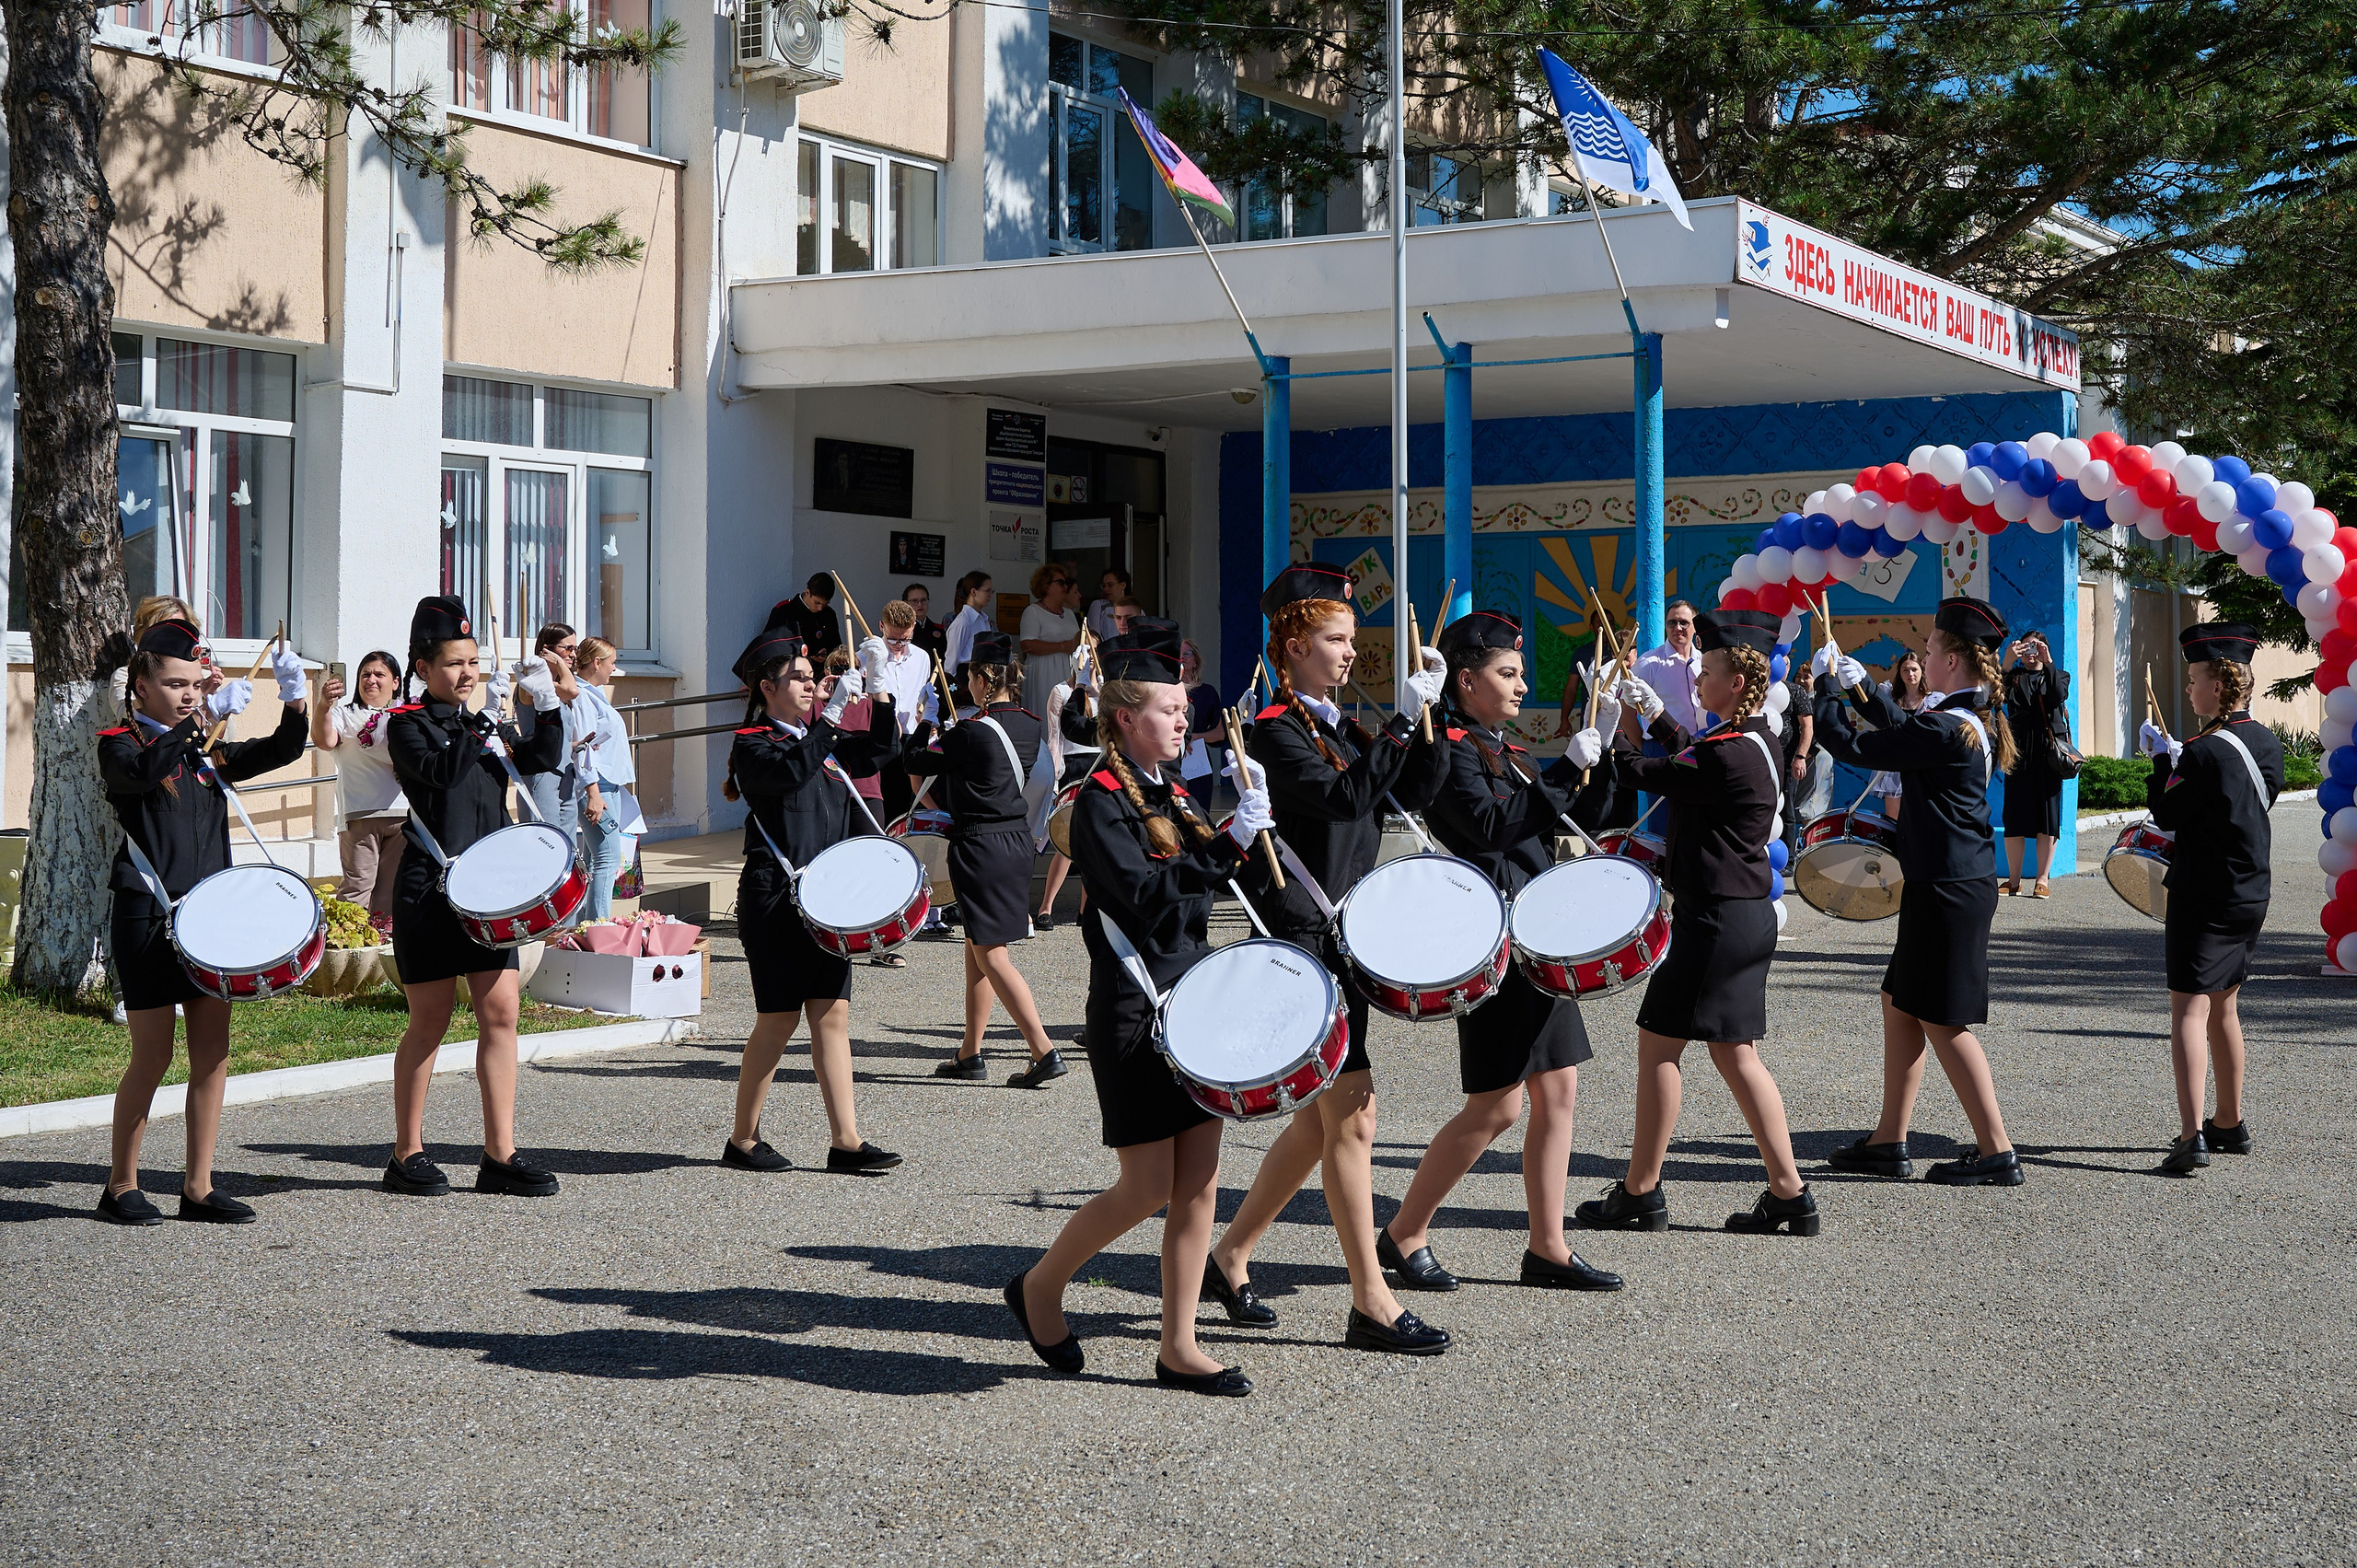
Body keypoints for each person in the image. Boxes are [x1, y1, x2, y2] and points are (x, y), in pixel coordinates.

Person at [1006, 623, 1280, 1396]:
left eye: (1184, 706)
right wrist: (1229, 841)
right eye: (1168, 708)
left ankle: (1179, 1344)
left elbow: (1212, 894)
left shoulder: (1174, 790)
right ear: (1125, 718)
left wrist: (1249, 831)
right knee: (1146, 1184)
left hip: (1192, 1003)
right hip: (1134, 1007)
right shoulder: (1097, 801)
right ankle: (1040, 1285)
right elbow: (1151, 900)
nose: (1184, 718)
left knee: (1200, 1180)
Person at [1205, 564, 1455, 1357]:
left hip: (1343, 935)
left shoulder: (1339, 724)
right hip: (1301, 940)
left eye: (1352, 639)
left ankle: (1230, 1252)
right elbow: (1346, 798)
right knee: (1353, 1113)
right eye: (1337, 639)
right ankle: (1370, 1300)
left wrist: (1430, 715)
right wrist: (1394, 729)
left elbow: (1412, 788)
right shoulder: (1275, 728)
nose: (1352, 653)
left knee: (1322, 1123)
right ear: (1293, 645)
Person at [1382, 610, 1626, 1290]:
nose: (1522, 686)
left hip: (1536, 937)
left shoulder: (1505, 746)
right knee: (1497, 1105)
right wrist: (1563, 770)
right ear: (1467, 679)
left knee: (1559, 1089)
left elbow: (1576, 818)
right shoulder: (1452, 748)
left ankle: (1547, 1245)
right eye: (1508, 673)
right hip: (1490, 940)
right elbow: (1490, 828)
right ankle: (1403, 1233)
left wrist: (1598, 755)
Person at [1576, 608, 1817, 1236]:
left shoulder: (1728, 753)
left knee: (1660, 1043)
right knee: (1738, 1054)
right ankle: (1789, 1192)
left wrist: (1608, 728)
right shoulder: (1757, 738)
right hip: (1741, 916)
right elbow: (1693, 750)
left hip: (1713, 921)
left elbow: (1649, 771)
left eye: (1705, 670)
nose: (1698, 678)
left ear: (1736, 682)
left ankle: (1640, 1189)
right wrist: (1653, 712)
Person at [94, 616, 308, 1225]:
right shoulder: (121, 741)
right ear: (141, 685)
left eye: (194, 683)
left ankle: (198, 1184)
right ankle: (121, 1184)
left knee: (212, 1054)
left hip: (210, 920)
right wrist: (198, 721)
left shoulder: (204, 751)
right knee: (152, 1055)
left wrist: (294, 701)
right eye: (174, 682)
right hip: (146, 914)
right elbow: (138, 774)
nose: (188, 693)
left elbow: (281, 751)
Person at [1811, 596, 2024, 1188]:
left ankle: (1996, 1150)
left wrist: (1830, 689)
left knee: (1943, 1021)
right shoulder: (1958, 719)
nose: (1923, 656)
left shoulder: (1949, 727)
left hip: (1948, 889)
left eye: (1930, 648)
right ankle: (1889, 1139)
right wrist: (1858, 690)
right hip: (1945, 882)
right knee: (1901, 1003)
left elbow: (1857, 745)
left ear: (1953, 661)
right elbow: (1903, 727)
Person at [383, 596, 569, 1199]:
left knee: (501, 1014)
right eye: (455, 663)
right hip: (430, 888)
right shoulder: (407, 723)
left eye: (473, 661)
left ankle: (500, 1153)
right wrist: (480, 727)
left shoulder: (480, 721)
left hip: (489, 894)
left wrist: (545, 704)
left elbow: (542, 757)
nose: (467, 673)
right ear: (424, 666)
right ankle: (406, 1152)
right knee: (430, 1021)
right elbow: (436, 774)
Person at [720, 628, 903, 1175]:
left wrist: (882, 692)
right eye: (798, 678)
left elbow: (881, 752)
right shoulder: (754, 742)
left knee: (833, 1015)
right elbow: (790, 771)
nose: (810, 685)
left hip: (825, 900)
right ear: (766, 688)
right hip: (775, 899)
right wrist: (827, 720)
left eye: (810, 676)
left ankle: (846, 1141)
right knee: (777, 1020)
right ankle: (743, 1139)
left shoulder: (815, 739)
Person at [894, 631, 1068, 1086]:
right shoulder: (1030, 724)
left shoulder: (970, 731)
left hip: (980, 844)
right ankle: (970, 1052)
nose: (966, 685)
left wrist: (923, 721)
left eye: (970, 676)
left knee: (992, 952)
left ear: (982, 678)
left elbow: (914, 760)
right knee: (980, 947)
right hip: (1014, 843)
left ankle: (1043, 1050)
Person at [2138, 622, 2282, 1175]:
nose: (2191, 689)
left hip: (2204, 892)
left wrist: (2161, 764)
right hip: (2251, 891)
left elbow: (2169, 815)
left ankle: (2191, 1134)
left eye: (2197, 679)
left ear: (2220, 686)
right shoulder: (2265, 740)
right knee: (2226, 1004)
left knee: (2188, 1010)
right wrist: (2181, 762)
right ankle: (2229, 1121)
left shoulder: (2200, 751)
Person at [312, 649, 410, 920]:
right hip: (360, 815)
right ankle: (346, 951)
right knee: (357, 891)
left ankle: (381, 954)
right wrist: (323, 706)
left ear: (396, 682)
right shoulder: (346, 713)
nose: (371, 680)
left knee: (389, 895)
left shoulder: (407, 715)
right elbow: (324, 741)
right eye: (365, 674)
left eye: (380, 674)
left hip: (402, 815)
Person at [571, 636, 643, 922]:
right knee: (608, 858)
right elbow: (583, 749)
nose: (615, 668)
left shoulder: (593, 693)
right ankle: (597, 927)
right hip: (598, 786)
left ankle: (588, 925)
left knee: (595, 859)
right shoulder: (584, 697)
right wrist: (594, 794)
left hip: (607, 784)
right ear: (597, 663)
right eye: (612, 663)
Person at [1037, 641, 1103, 930]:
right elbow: (1054, 738)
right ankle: (1045, 907)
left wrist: (1096, 688)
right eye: (1083, 653)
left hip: (1100, 763)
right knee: (1067, 841)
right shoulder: (1061, 691)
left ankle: (1085, 910)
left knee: (1094, 843)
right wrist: (1053, 777)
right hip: (1072, 765)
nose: (1087, 658)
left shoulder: (1107, 690)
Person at [2001, 630, 2071, 897]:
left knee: (2047, 817)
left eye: (2036, 647)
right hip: (2018, 752)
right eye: (2026, 647)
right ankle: (2013, 880)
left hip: (2048, 754)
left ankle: (2043, 879)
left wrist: (2048, 661)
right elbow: (1997, 695)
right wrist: (2007, 662)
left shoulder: (2059, 674)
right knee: (2014, 816)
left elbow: (2058, 695)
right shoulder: (2015, 677)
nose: (2031, 652)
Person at [867, 599, 935, 824]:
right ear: (881, 627)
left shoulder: (922, 658)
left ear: (913, 628)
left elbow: (922, 696)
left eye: (905, 639)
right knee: (882, 809)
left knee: (906, 810)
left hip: (910, 739)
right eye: (893, 638)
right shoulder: (869, 655)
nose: (898, 644)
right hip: (881, 740)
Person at [520, 622, 585, 844]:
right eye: (568, 648)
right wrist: (557, 662)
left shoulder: (557, 685)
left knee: (568, 843)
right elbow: (573, 690)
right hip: (543, 770)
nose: (573, 655)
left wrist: (574, 745)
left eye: (575, 649)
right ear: (547, 649)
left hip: (564, 770)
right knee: (545, 840)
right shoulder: (533, 681)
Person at [1869, 648, 1932, 819]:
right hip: (1895, 761)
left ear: (1921, 671)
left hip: (1922, 761)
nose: (1910, 674)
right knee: (1893, 815)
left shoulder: (1933, 699)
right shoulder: (1890, 696)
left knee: (1919, 813)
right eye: (1905, 670)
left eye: (1914, 669)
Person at [1630, 598, 1706, 732]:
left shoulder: (1704, 661)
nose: (1677, 628)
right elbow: (1626, 710)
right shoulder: (1649, 663)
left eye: (1684, 623)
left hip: (1700, 744)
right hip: (1661, 748)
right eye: (1672, 623)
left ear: (1695, 627)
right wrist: (1641, 746)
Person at [1020, 563, 1084, 700]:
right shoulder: (1033, 612)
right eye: (1061, 583)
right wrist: (1061, 647)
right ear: (1045, 585)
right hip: (1044, 673)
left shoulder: (1069, 614)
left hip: (1067, 671)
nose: (1065, 587)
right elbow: (1027, 645)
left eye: (1065, 583)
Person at [1178, 638, 1225, 800]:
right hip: (1173, 761)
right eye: (1179, 654)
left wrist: (1195, 737)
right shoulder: (1167, 691)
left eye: (1187, 653)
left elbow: (1220, 734)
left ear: (1195, 661)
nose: (1182, 657)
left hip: (1197, 764)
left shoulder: (1207, 693)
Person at [768, 573, 844, 662]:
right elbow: (770, 647)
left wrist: (826, 656)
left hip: (820, 672)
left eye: (825, 604)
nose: (820, 608)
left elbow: (836, 647)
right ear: (807, 592)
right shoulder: (784, 611)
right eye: (817, 603)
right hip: (791, 671)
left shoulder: (829, 614)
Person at [944, 571, 994, 677]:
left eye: (991, 591)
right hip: (966, 676)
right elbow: (952, 659)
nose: (991, 595)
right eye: (987, 591)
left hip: (983, 673)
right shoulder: (963, 622)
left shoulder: (983, 620)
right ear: (974, 592)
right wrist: (950, 686)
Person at [903, 582, 948, 670]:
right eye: (914, 601)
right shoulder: (901, 631)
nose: (920, 604)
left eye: (923, 600)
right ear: (906, 604)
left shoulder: (938, 630)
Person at [1085, 567, 1131, 641]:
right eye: (1104, 586)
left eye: (1110, 585)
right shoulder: (1098, 606)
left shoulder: (1136, 609)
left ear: (1123, 585)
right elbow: (1094, 638)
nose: (1105, 589)